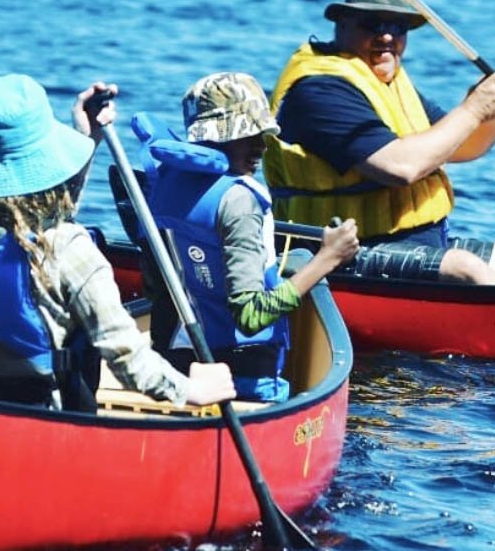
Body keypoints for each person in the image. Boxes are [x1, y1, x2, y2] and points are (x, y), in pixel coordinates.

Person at [0, 73, 235, 412]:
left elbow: (43, 215)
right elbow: (127, 361)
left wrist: (88, 139)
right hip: (44, 416)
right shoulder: (69, 248)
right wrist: (192, 389)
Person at [263, 0, 495, 287]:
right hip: (338, 253)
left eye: (398, 26)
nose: (387, 36)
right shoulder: (320, 91)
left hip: (413, 242)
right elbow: (400, 168)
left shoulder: (386, 80)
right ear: (342, 24)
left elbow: (460, 148)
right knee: (467, 270)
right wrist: (473, 108)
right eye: (373, 23)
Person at [131, 72, 359, 402]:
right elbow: (251, 316)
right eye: (247, 134)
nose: (261, 146)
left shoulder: (166, 185)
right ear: (217, 137)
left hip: (177, 368)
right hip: (240, 380)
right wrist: (328, 259)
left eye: (262, 135)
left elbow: (156, 284)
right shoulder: (239, 201)